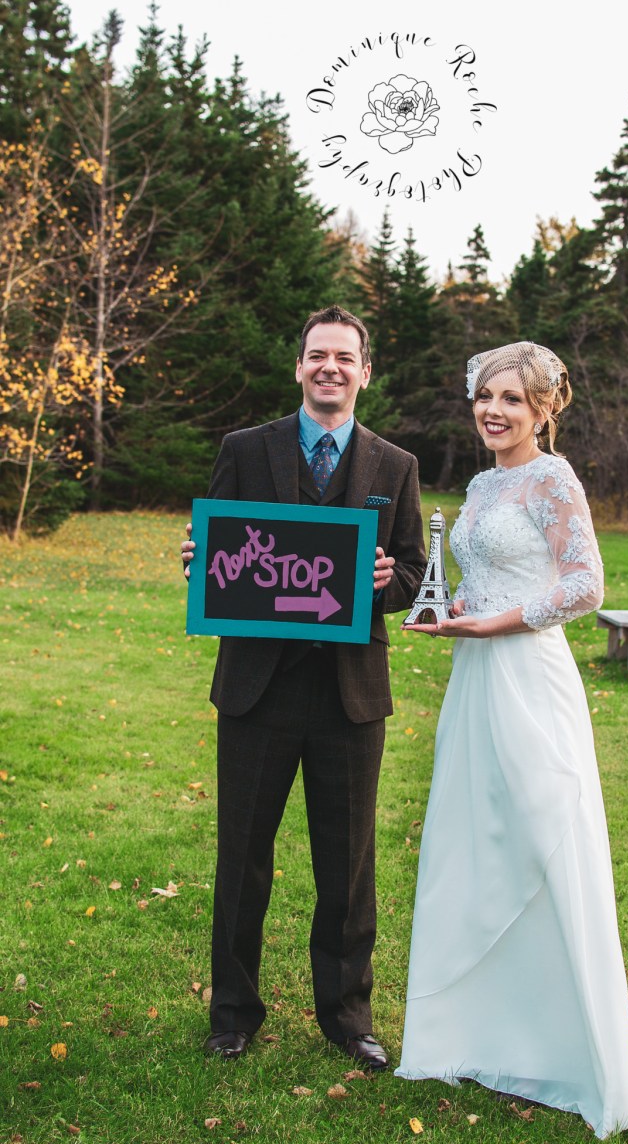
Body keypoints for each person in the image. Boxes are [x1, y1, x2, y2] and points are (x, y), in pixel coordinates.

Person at [395, 341, 628, 1138]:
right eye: (485, 396)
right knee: (475, 847)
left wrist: (494, 623)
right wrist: (452, 607)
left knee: (542, 841)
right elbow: (480, 577)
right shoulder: (482, 485)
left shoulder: (553, 479)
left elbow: (585, 585)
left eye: (511, 399)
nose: (493, 411)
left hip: (530, 678)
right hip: (474, 683)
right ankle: (475, 1034)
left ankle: (567, 1050)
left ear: (543, 409)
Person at [182, 305, 426, 1068]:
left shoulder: (395, 466)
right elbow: (219, 557)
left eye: (344, 358)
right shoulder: (244, 450)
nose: (330, 367)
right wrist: (201, 563)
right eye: (318, 354)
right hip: (257, 689)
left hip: (350, 696)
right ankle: (233, 1015)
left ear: (364, 373)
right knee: (242, 859)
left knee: (347, 866)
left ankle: (348, 1018)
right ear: (299, 367)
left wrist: (388, 580)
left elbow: (415, 574)